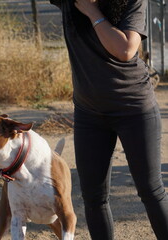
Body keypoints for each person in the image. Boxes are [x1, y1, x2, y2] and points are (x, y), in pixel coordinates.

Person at [47, 0, 168, 239]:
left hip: (134, 108)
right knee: (94, 197)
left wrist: (92, 12)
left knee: (150, 190)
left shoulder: (131, 1)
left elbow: (125, 50)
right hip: (89, 114)